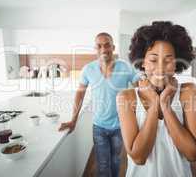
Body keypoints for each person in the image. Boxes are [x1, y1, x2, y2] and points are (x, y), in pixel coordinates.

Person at [116, 21, 196, 177]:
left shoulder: (190, 92)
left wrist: (165, 105)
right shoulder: (126, 98)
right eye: (153, 60)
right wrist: (154, 103)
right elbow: (138, 157)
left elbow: (192, 154)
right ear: (142, 62)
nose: (161, 67)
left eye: (168, 60)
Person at [59, 32, 139, 177]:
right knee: (102, 164)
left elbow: (140, 88)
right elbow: (80, 94)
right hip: (99, 127)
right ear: (95, 49)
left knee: (115, 161)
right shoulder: (88, 69)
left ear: (113, 47)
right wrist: (73, 120)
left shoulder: (126, 67)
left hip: (120, 126)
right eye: (99, 46)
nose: (103, 49)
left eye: (107, 45)